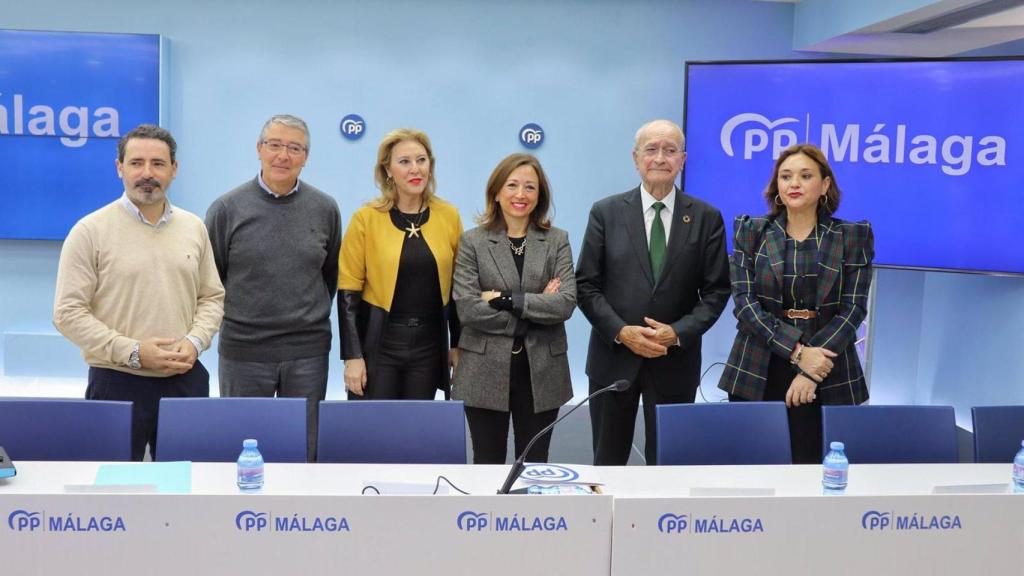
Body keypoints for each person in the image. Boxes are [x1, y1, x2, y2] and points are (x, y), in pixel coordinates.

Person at [53, 124, 225, 461]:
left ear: (174, 169)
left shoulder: (193, 228)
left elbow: (212, 297)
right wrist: (133, 352)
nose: (147, 173)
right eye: (136, 163)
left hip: (184, 381)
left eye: (158, 163)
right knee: (113, 485)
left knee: (188, 484)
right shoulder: (89, 231)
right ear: (120, 168)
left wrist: (194, 342)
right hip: (116, 383)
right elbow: (67, 313)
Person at [577, 119, 730, 465]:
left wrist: (677, 332)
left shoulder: (706, 217)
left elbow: (717, 291)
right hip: (613, 360)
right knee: (607, 464)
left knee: (668, 465)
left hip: (674, 361)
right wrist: (621, 332)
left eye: (670, 150)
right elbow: (585, 284)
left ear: (682, 159)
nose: (660, 158)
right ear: (636, 158)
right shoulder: (606, 213)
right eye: (651, 149)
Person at [719, 143, 874, 464]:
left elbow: (853, 309)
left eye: (805, 176)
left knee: (815, 470)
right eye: (786, 176)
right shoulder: (751, 231)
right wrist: (798, 353)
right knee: (753, 469)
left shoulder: (852, 236)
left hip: (828, 369)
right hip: (759, 365)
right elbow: (745, 304)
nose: (794, 184)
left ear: (825, 185)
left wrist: (812, 369)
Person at [205, 114, 342, 462]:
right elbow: (211, 281)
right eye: (275, 145)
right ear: (259, 149)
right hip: (244, 351)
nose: (283, 155)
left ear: (306, 157)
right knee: (243, 449)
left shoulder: (325, 209)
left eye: (294, 148)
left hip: (307, 351)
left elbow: (329, 276)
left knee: (304, 450)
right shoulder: (226, 209)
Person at [452, 154, 576, 464]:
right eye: (512, 185)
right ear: (496, 192)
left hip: (542, 370)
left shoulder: (557, 240)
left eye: (530, 187)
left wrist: (507, 299)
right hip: (483, 368)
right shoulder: (472, 242)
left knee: (534, 465)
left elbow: (565, 303)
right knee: (486, 462)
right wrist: (534, 309)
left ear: (540, 195)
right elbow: (468, 308)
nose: (521, 194)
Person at [338, 128, 462, 400]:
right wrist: (352, 355)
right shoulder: (366, 218)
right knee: (374, 425)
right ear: (388, 170)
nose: (415, 169)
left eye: (421, 160)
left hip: (429, 346)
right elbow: (348, 292)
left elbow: (458, 288)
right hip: (380, 344)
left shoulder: (449, 216)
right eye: (404, 161)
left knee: (417, 425)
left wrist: (457, 343)